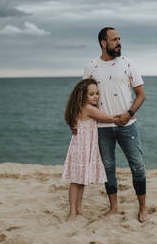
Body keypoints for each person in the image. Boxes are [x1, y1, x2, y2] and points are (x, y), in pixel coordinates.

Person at [83, 27, 147, 222]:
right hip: (102, 127)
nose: (119, 42)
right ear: (103, 42)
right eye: (114, 39)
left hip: (128, 125)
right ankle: (113, 208)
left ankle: (143, 208)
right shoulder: (91, 66)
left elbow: (141, 94)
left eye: (119, 39)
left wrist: (129, 114)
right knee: (108, 167)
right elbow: (85, 98)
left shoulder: (128, 63)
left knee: (137, 166)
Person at [62, 78, 118, 221]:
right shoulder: (88, 108)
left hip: (82, 148)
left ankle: (78, 209)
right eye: (91, 94)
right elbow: (107, 118)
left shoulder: (78, 107)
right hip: (82, 149)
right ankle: (73, 212)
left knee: (80, 180)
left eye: (97, 93)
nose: (95, 97)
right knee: (75, 181)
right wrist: (123, 117)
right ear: (83, 95)